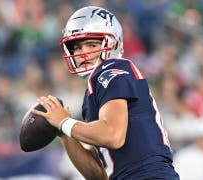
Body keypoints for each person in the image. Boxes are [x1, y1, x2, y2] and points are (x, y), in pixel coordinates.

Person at [32, 6, 180, 180]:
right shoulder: (93, 92)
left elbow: (113, 135)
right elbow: (98, 175)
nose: (83, 53)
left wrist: (65, 122)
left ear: (112, 43)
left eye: (92, 45)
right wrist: (65, 134)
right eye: (77, 48)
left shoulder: (112, 68)